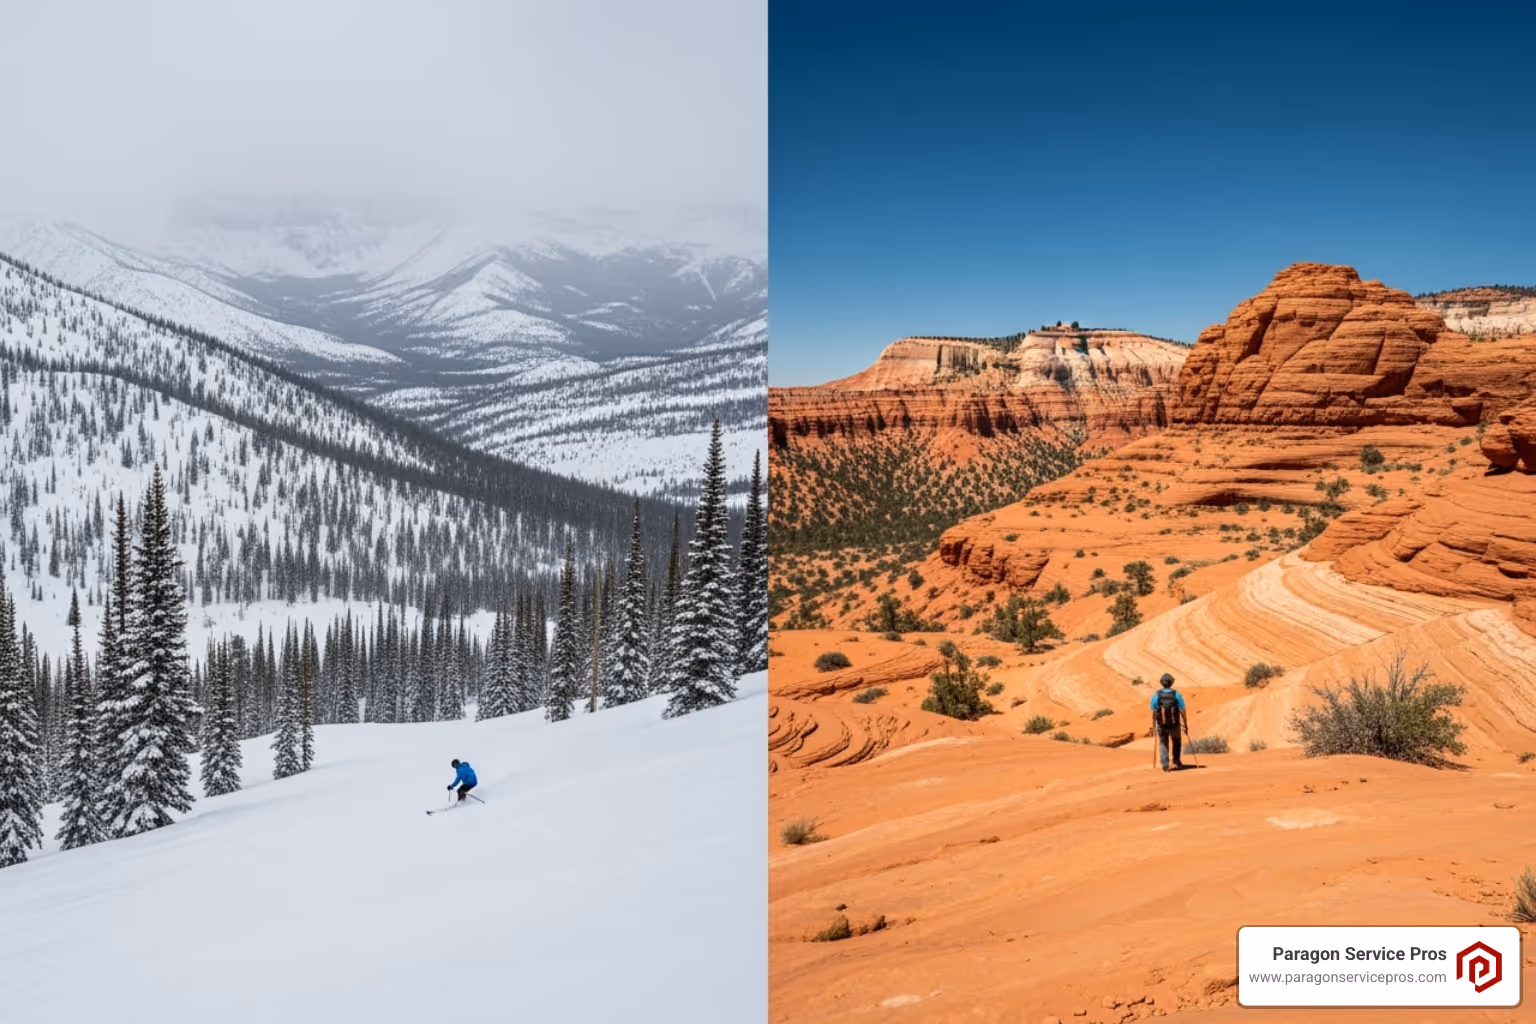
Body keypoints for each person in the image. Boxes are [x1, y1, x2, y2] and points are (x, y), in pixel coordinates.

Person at [1150, 673, 1187, 771]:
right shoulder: (1176, 694)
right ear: (1171, 683)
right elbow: (1182, 709)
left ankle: (1165, 765)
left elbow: (1153, 710)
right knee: (1176, 741)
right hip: (1175, 724)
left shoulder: (1156, 695)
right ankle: (1176, 762)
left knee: (1163, 743)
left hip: (1161, 724)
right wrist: (1185, 725)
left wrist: (1153, 725)